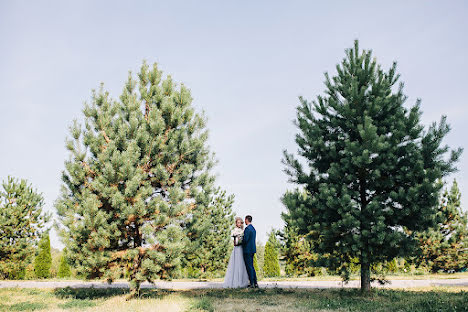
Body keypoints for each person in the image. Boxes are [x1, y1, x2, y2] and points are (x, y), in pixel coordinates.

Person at [223, 217, 250, 288]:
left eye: (240, 223)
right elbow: (234, 239)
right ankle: (235, 282)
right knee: (236, 263)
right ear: (236, 223)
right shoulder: (235, 230)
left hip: (242, 248)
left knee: (242, 264)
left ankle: (242, 281)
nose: (239, 224)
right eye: (238, 223)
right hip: (237, 248)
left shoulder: (243, 230)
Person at [242, 215, 258, 288]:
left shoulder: (247, 229)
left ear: (246, 220)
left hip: (247, 250)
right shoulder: (253, 229)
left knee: (249, 267)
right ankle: (255, 282)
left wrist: (240, 242)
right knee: (251, 266)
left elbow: (245, 240)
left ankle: (251, 283)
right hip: (252, 249)